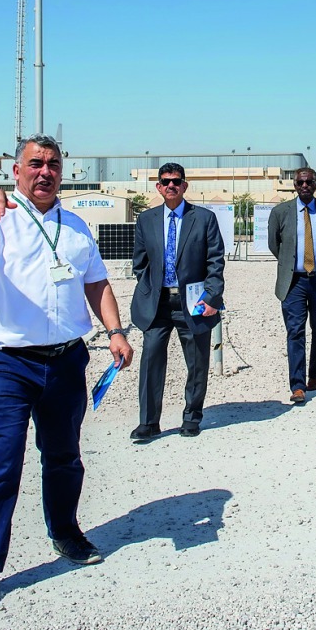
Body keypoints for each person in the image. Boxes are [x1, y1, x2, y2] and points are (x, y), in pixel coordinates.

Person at [0, 133, 134, 608]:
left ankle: (66, 533)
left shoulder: (76, 227)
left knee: (64, 456)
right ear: (17, 171)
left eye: (52, 164)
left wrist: (114, 331)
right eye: (35, 163)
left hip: (66, 359)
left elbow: (96, 283)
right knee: (1, 460)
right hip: (8, 363)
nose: (45, 171)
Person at [130, 163, 226, 442]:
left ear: (184, 186)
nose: (171, 185)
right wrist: (148, 287)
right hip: (157, 304)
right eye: (165, 181)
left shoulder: (204, 218)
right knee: (151, 359)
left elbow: (215, 261)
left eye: (176, 181)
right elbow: (140, 262)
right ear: (158, 187)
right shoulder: (146, 219)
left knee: (197, 362)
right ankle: (149, 422)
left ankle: (191, 417)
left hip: (193, 304)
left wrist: (212, 296)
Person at [267, 167, 316, 403]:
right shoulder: (280, 212)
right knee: (295, 331)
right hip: (293, 282)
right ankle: (297, 385)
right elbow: (274, 244)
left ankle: (315, 374)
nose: (305, 186)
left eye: (309, 182)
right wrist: (290, 262)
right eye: (300, 183)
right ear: (294, 185)